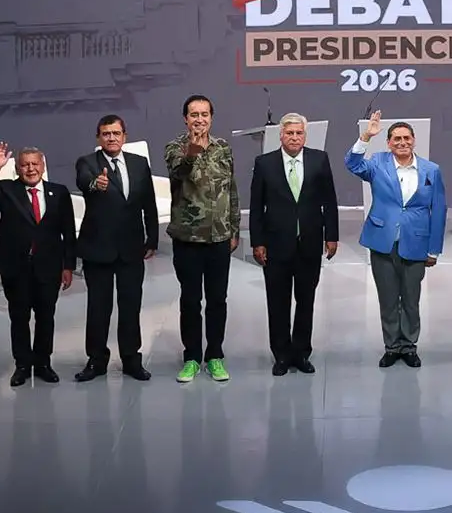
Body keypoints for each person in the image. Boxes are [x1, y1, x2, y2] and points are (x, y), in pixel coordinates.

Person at [345, 111, 446, 368]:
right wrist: (366, 136)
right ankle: (392, 347)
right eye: (396, 139)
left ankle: (409, 346)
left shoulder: (431, 170)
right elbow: (352, 164)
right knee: (388, 299)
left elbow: (439, 210)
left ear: (414, 140)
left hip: (417, 242)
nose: (402, 142)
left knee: (411, 300)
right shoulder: (377, 163)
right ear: (388, 143)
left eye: (407, 138)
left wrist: (434, 249)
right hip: (383, 241)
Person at [0, 142, 76, 386]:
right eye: (25, 165)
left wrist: (68, 266)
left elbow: (69, 232)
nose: (30, 169)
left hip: (49, 266)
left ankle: (43, 363)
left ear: (43, 166)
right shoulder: (7, 189)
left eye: (35, 164)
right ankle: (22, 365)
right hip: (16, 267)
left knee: (46, 316)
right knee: (19, 318)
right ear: (18, 168)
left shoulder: (59, 192)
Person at [249, 114, 339, 376]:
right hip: (276, 245)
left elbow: (329, 201)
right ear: (281, 135)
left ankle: (301, 353)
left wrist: (331, 236)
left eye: (299, 133)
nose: (294, 138)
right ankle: (281, 354)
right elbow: (256, 207)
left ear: (305, 135)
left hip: (309, 244)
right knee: (277, 302)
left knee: (306, 300)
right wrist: (258, 242)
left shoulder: (319, 159)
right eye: (289, 133)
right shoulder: (264, 163)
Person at [74, 115, 159, 382]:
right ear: (98, 138)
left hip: (131, 248)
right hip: (98, 248)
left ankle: (132, 359)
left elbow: (149, 203)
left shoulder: (139, 163)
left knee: (131, 305)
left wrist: (152, 238)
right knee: (99, 307)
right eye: (106, 133)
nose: (111, 137)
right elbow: (84, 181)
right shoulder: (88, 163)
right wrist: (95, 184)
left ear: (125, 135)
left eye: (116, 133)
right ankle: (96, 360)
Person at [164, 94, 240, 384]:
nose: (199, 119)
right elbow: (178, 171)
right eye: (194, 114)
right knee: (190, 300)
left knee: (218, 300)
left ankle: (215, 355)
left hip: (219, 237)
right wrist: (192, 151)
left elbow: (231, 189)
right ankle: (192, 357)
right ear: (185, 118)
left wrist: (234, 228)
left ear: (211, 117)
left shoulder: (223, 148)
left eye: (204, 114)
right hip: (187, 239)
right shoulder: (175, 147)